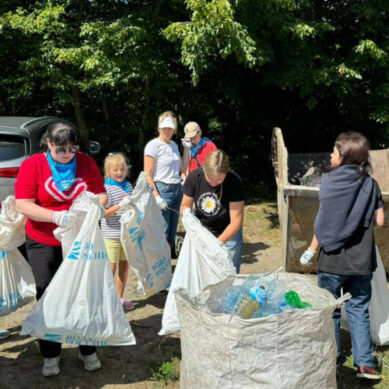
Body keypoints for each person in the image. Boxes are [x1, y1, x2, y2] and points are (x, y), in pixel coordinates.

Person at [15, 120, 108, 377]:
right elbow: (23, 204)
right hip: (43, 240)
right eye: (61, 149)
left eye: (71, 148)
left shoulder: (86, 163)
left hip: (80, 240)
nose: (67, 154)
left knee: (84, 293)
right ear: (48, 144)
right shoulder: (33, 165)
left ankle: (87, 349)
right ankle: (51, 354)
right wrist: (55, 217)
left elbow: (101, 194)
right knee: (48, 296)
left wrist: (94, 207)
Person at [300, 132, 384, 381]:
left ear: (344, 157)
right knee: (359, 309)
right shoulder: (371, 184)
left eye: (334, 152)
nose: (330, 155)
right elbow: (380, 221)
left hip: (332, 260)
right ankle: (365, 365)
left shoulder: (328, 181)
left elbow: (324, 221)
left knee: (331, 310)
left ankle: (331, 357)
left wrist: (311, 250)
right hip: (361, 262)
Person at [180, 150, 244, 273]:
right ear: (204, 169)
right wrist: (186, 213)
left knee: (230, 274)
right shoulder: (194, 177)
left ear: (226, 173)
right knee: (202, 273)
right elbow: (184, 205)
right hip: (202, 233)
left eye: (219, 180)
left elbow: (237, 220)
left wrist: (217, 243)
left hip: (229, 235)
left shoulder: (234, 181)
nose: (214, 183)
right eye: (210, 179)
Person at [144, 111, 189, 257]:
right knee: (162, 231)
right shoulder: (153, 145)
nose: (167, 131)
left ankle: (165, 267)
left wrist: (187, 149)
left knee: (171, 232)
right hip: (162, 189)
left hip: (177, 189)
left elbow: (183, 168)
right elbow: (147, 175)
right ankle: (158, 267)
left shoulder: (174, 145)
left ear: (174, 130)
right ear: (159, 128)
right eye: (164, 128)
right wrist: (156, 196)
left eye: (170, 128)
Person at [101, 153, 135, 311]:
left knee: (124, 266)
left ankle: (119, 299)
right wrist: (120, 205)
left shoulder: (128, 187)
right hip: (111, 236)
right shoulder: (106, 189)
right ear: (108, 171)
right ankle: (105, 302)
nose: (119, 172)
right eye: (115, 170)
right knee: (110, 268)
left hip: (126, 235)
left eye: (122, 169)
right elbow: (103, 214)